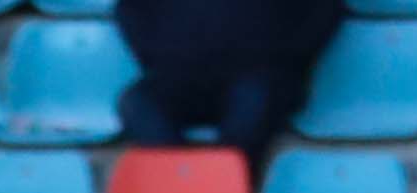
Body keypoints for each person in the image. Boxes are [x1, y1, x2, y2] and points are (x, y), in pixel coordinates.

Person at [114, 0, 346, 173]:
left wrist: (288, 61)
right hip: (182, 77)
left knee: (254, 103)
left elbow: (326, 10)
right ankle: (182, 186)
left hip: (262, 78)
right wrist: (160, 58)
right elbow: (130, 11)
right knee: (138, 103)